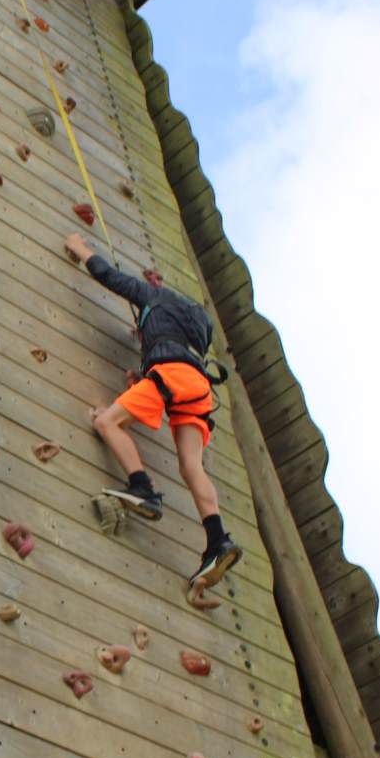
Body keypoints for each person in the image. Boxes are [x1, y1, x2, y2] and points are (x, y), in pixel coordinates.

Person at [67, 231, 241, 591]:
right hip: (198, 388)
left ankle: (142, 487)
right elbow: (174, 346)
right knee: (191, 466)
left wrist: (80, 248)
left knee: (107, 422)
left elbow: (108, 276)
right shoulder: (198, 323)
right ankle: (217, 541)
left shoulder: (152, 296)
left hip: (171, 376)